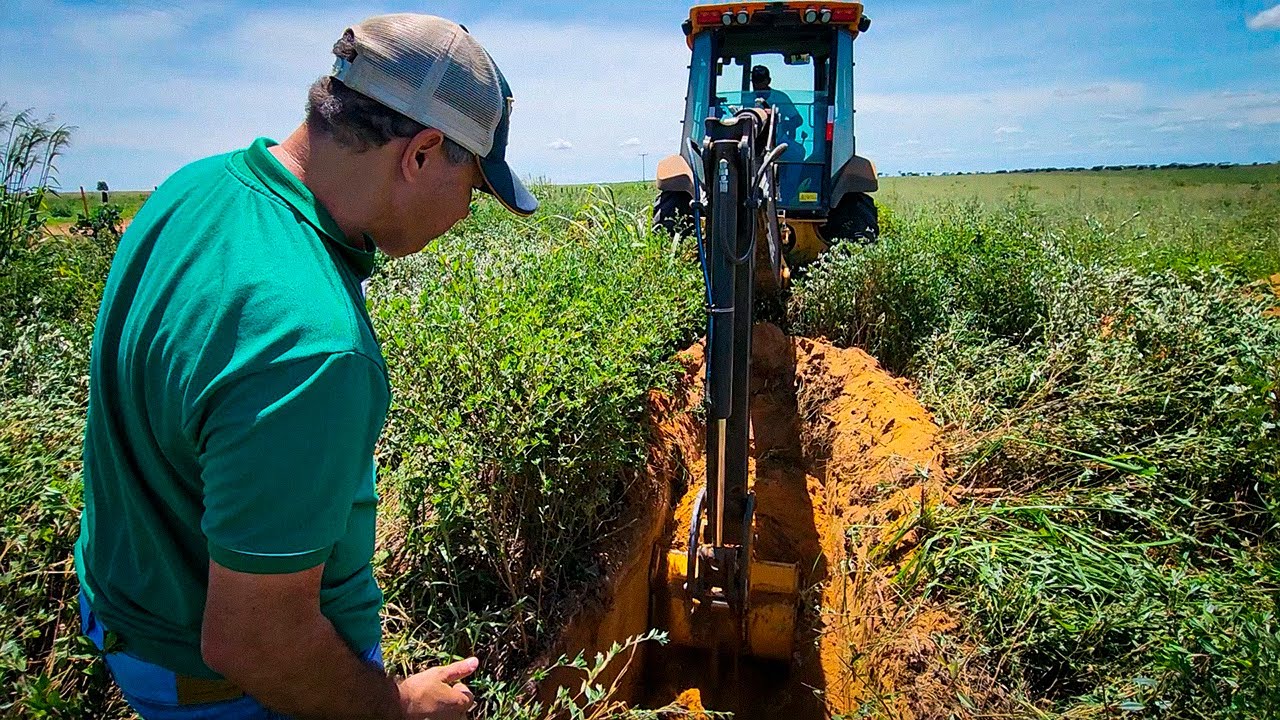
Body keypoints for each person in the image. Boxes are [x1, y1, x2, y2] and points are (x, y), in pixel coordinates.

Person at [74, 13, 536, 720]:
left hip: (137, 626)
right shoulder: (313, 347)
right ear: (421, 153)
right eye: (472, 187)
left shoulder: (193, 189)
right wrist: (398, 708)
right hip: (238, 693)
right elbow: (258, 642)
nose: (466, 214)